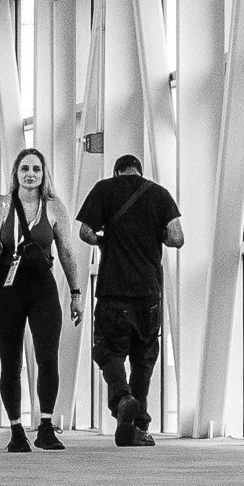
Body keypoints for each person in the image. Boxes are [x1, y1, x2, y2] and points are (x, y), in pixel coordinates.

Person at [0, 146, 82, 453]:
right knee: (11, 361)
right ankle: (16, 431)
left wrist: (76, 293)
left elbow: (67, 252)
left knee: (47, 357)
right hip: (7, 290)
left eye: (36, 169)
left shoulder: (54, 207)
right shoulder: (0, 205)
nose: (30, 174)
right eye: (25, 169)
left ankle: (45, 427)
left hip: (42, 289)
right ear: (16, 173)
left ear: (44, 174)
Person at [75, 152, 183, 445]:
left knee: (108, 351)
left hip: (113, 288)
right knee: (143, 359)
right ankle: (138, 427)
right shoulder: (159, 194)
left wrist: (103, 240)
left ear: (117, 171)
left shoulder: (104, 189)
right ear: (139, 170)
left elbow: (85, 232)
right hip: (148, 292)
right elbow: (176, 237)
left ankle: (123, 398)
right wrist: (155, 234)